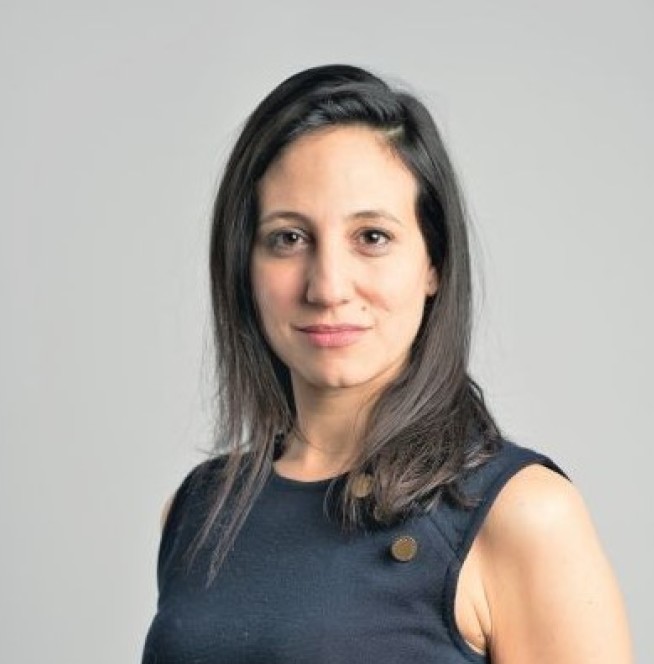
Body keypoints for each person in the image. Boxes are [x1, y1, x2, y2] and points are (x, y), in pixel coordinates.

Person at [141, 64, 632, 663]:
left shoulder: (521, 515)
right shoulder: (198, 509)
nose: (327, 286)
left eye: (371, 237)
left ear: (434, 264)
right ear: (244, 266)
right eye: (288, 238)